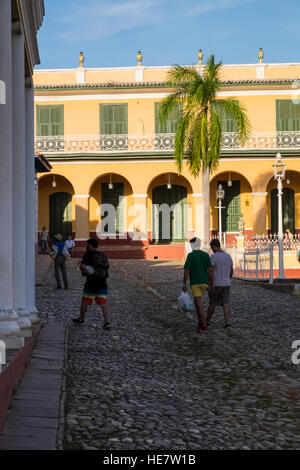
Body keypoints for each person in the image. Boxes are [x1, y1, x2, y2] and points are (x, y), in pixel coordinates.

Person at [73, 238, 110, 330]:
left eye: (87, 244)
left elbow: (82, 266)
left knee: (85, 301)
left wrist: (83, 271)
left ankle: (81, 319)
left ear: (90, 245)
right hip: (102, 282)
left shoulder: (87, 255)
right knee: (103, 303)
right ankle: (107, 322)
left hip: (91, 282)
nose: (86, 246)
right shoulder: (102, 255)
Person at [182, 237, 213, 333]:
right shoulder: (206, 255)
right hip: (204, 282)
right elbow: (210, 270)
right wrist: (211, 282)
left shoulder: (190, 256)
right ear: (199, 245)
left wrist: (184, 283)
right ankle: (200, 323)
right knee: (197, 303)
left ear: (192, 245)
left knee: (199, 304)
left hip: (195, 283)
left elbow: (187, 271)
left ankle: (204, 326)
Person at [206, 239, 233, 328]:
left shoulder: (214, 257)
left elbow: (210, 270)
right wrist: (228, 279)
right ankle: (227, 322)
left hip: (216, 283)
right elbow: (231, 270)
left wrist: (211, 283)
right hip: (226, 283)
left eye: (211, 247)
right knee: (226, 303)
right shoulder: (228, 256)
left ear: (214, 246)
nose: (211, 249)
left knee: (212, 303)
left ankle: (207, 321)